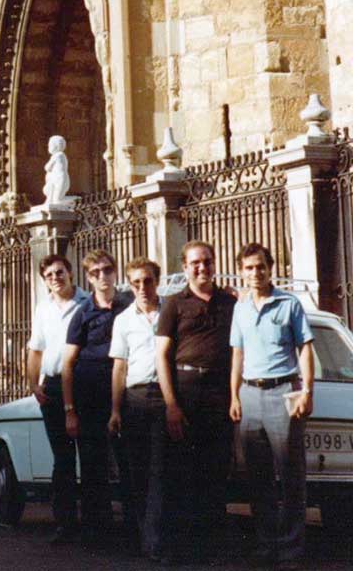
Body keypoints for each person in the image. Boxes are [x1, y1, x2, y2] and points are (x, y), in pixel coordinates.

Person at [229, 243, 314, 569]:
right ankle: (266, 545)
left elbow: (305, 348)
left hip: (283, 394)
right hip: (250, 395)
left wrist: (307, 391)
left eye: (260, 266)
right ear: (241, 272)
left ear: (270, 268)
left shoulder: (289, 304)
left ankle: (291, 550)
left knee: (291, 475)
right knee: (258, 477)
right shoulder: (240, 309)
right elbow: (237, 354)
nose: (255, 273)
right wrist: (234, 395)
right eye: (249, 268)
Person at [154, 240, 238, 564]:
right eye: (195, 263)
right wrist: (171, 405)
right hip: (185, 392)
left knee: (215, 474)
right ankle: (177, 550)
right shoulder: (173, 304)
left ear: (214, 264)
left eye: (207, 261)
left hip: (218, 393)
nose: (202, 267)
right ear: (185, 267)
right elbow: (162, 356)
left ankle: (210, 551)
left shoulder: (230, 302)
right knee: (180, 474)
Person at [62, 249, 133, 545]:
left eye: (107, 270)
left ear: (115, 271)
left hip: (126, 394)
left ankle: (133, 529)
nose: (103, 276)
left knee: (129, 462)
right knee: (93, 466)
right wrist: (70, 410)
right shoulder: (82, 313)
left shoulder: (130, 305)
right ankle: (97, 532)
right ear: (88, 278)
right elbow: (68, 364)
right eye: (95, 273)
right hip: (90, 397)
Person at [26, 253, 91, 543]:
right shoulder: (43, 309)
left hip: (84, 384)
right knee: (62, 458)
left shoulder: (87, 302)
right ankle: (65, 523)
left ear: (70, 272)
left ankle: (93, 523)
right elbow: (36, 349)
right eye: (49, 275)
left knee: (89, 456)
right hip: (53, 387)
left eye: (59, 272)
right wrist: (33, 384)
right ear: (45, 280)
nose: (55, 278)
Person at [108, 257, 166, 558]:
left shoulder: (170, 310)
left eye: (148, 281)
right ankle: (146, 537)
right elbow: (120, 367)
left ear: (157, 281)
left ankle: (155, 541)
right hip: (135, 398)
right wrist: (116, 410)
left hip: (165, 397)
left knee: (160, 472)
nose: (143, 288)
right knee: (138, 472)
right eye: (136, 283)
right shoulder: (123, 320)